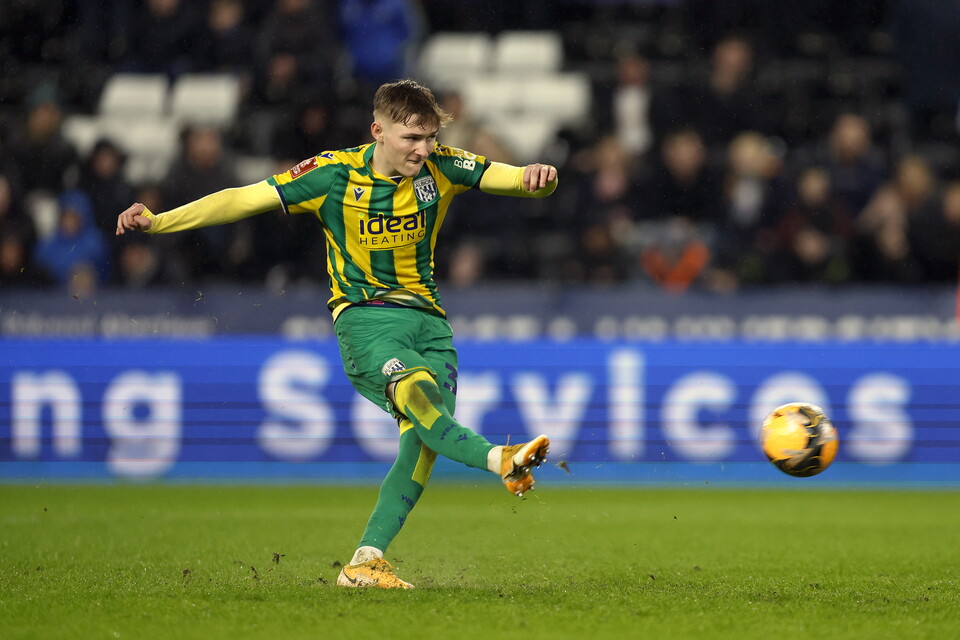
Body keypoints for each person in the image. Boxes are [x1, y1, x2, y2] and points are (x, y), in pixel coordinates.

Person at [116, 79, 558, 589]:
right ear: (378, 132)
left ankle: (365, 562)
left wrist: (539, 178)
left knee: (421, 443)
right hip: (366, 321)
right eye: (411, 137)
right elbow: (244, 198)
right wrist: (160, 221)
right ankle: (501, 458)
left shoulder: (443, 166)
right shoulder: (331, 173)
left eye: (429, 137)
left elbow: (517, 179)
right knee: (417, 396)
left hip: (432, 326)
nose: (423, 148)